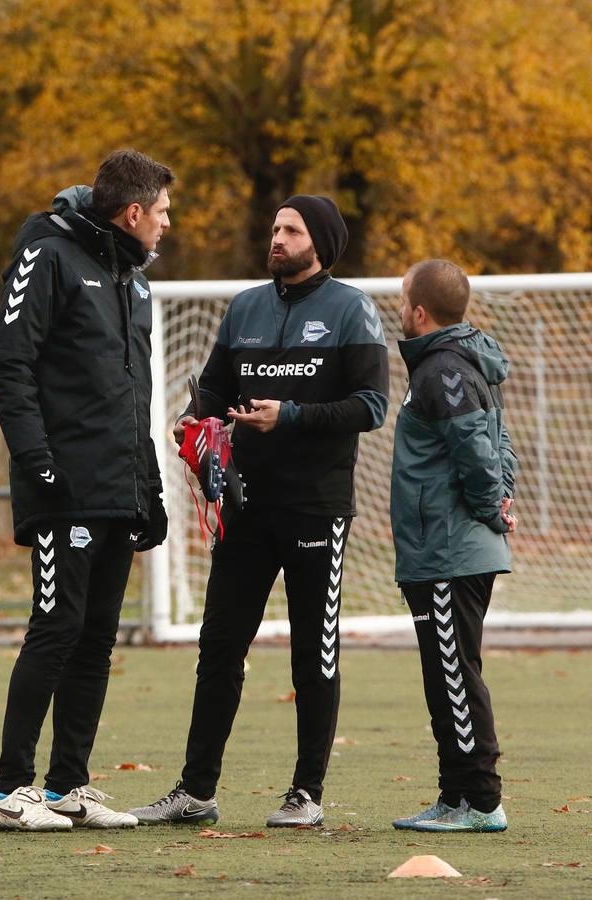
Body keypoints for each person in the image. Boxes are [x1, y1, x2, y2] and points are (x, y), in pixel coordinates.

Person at [128, 195, 389, 828]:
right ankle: (196, 791)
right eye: (274, 228)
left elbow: (372, 406)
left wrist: (290, 415)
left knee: (312, 650)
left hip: (315, 507)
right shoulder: (245, 306)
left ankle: (306, 793)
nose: (277, 238)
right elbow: (215, 388)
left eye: (291, 230)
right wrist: (194, 419)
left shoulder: (352, 309)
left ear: (319, 244)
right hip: (244, 506)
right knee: (219, 644)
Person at [0, 149, 174, 832]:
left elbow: (133, 396)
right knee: (57, 628)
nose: (166, 225)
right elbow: (9, 367)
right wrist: (38, 463)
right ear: (131, 212)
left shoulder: (135, 281)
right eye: (161, 212)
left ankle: (68, 787)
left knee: (97, 639)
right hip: (63, 487)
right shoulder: (48, 255)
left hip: (118, 488)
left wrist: (149, 486)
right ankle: (11, 790)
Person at [388, 258, 517, 833]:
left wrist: (493, 507)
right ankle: (454, 796)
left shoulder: (442, 368)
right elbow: (502, 443)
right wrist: (501, 498)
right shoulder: (463, 362)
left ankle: (481, 801)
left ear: (419, 311)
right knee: (447, 674)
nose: (397, 307)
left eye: (401, 298)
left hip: (448, 551)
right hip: (442, 549)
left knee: (455, 675)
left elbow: (477, 451)